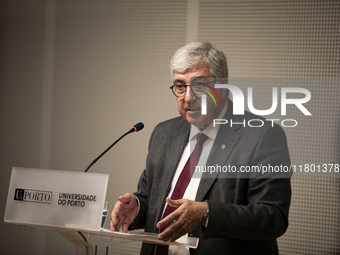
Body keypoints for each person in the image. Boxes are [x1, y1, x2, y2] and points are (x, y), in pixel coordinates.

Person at [110, 42, 292, 255]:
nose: (188, 97)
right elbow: (153, 199)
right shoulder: (163, 133)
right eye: (180, 86)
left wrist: (207, 213)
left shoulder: (262, 135)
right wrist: (138, 208)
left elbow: (273, 217)